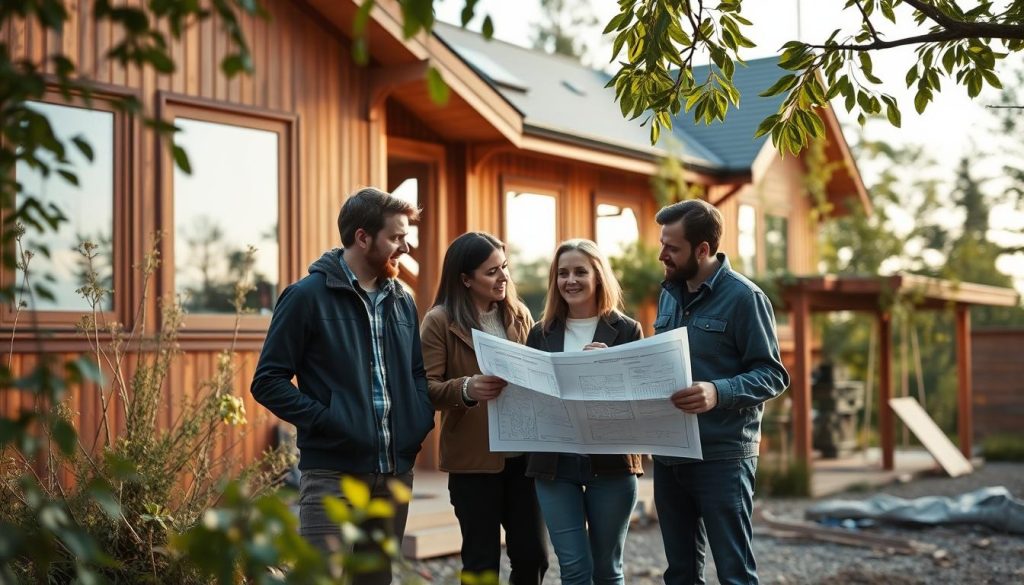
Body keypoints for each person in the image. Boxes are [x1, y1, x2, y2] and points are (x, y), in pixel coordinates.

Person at [250, 187, 435, 584]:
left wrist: (417, 422)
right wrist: (330, 421)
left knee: (376, 580)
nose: (405, 247)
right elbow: (268, 381)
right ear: (363, 237)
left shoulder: (402, 299)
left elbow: (416, 373)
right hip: (332, 473)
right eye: (396, 237)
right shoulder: (305, 297)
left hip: (394, 473)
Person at [651, 199, 790, 585]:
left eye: (672, 247)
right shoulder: (668, 294)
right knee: (679, 573)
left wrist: (718, 391)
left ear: (703, 250)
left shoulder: (746, 298)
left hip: (722, 458)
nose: (663, 254)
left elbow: (772, 374)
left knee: (734, 572)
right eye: (662, 243)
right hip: (670, 456)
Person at [420, 232, 549, 585]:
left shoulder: (520, 315)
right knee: (481, 564)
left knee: (533, 556)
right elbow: (425, 389)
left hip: (524, 459)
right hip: (474, 463)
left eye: (504, 267)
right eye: (492, 272)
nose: (504, 277)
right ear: (465, 279)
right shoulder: (439, 321)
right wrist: (467, 387)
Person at [524, 239, 644, 585]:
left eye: (580, 271)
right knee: (575, 569)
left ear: (598, 276)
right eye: (562, 273)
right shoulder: (540, 332)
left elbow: (642, 399)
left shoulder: (627, 330)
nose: (570, 280)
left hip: (612, 463)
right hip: (554, 465)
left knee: (607, 570)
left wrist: (608, 368)